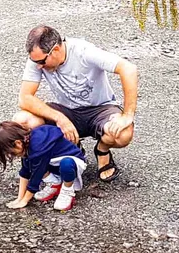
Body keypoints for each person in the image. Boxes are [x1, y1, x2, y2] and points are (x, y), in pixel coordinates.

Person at [14, 24, 137, 182]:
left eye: (42, 61)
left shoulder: (84, 51)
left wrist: (127, 115)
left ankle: (102, 150)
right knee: (21, 121)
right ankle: (72, 148)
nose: (39, 66)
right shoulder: (38, 59)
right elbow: (24, 98)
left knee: (123, 134)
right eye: (35, 61)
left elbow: (128, 69)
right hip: (67, 111)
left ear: (56, 49)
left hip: (99, 110)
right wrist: (59, 118)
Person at [0, 120, 86, 212]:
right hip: (53, 163)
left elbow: (36, 175)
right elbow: (25, 172)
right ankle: (54, 183)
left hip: (73, 163)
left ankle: (67, 189)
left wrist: (25, 200)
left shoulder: (38, 148)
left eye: (12, 153)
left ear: (18, 143)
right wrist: (19, 198)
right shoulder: (27, 143)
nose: (13, 156)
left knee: (66, 164)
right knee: (33, 163)